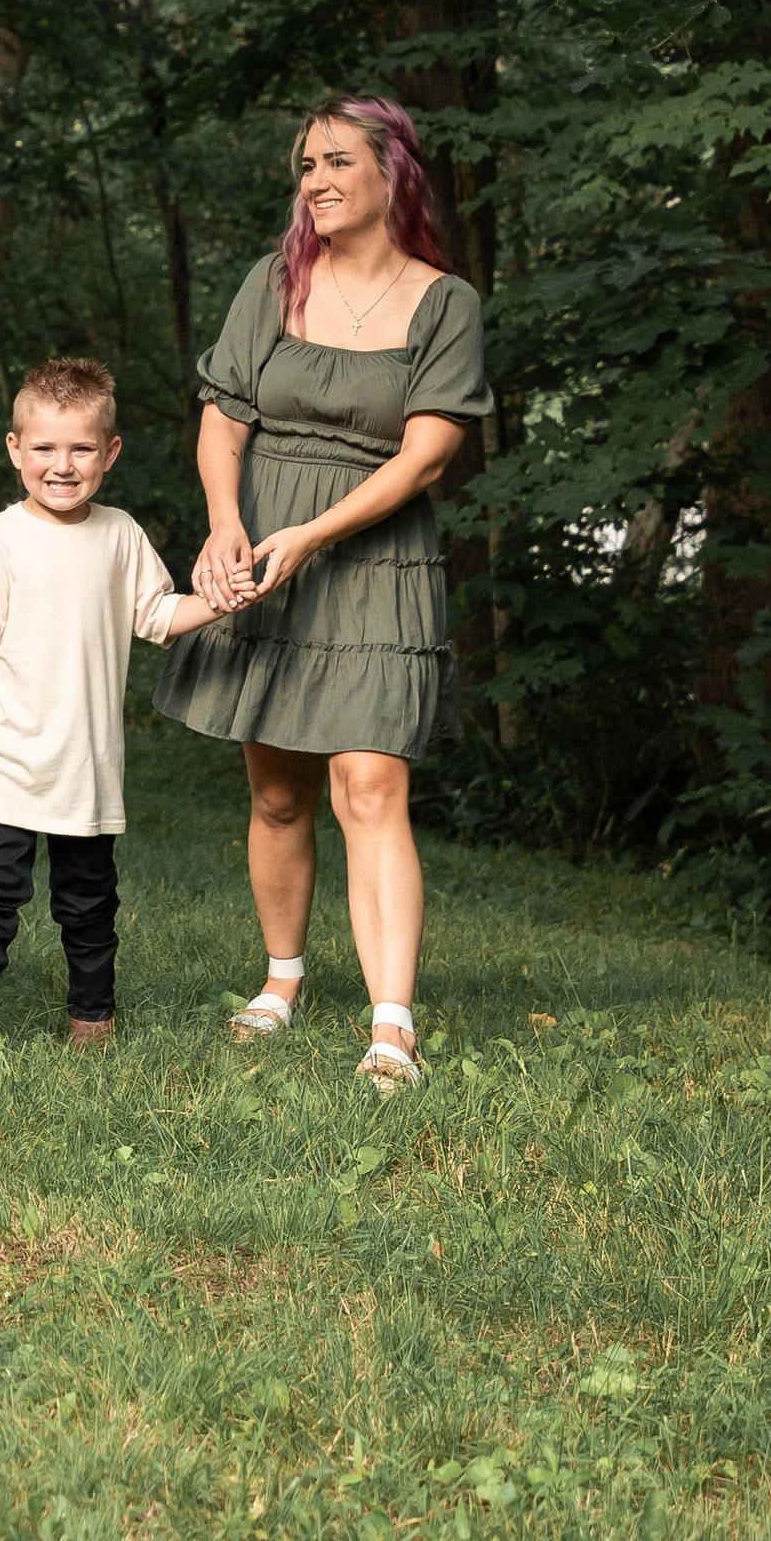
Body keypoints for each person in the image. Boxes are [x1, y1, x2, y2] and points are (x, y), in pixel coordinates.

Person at [155, 94, 493, 1087]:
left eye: (337, 161)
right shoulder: (274, 282)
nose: (315, 182)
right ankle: (281, 980)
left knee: (372, 783)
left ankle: (392, 1028)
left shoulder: (446, 303)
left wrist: (315, 534)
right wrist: (228, 522)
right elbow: (224, 415)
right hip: (263, 544)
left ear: (397, 174)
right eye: (305, 165)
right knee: (274, 789)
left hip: (371, 556)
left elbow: (428, 456)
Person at [0, 359, 205, 1056]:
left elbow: (157, 612)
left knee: (89, 903)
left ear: (109, 453)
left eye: (80, 448)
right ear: (15, 449)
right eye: (44, 448)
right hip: (6, 761)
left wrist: (221, 601)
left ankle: (93, 1019)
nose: (62, 465)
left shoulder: (119, 535)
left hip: (86, 764)